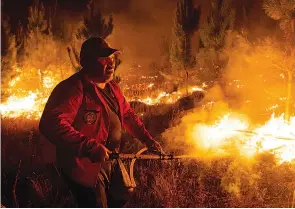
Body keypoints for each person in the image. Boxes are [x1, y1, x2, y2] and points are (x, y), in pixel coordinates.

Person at [39, 37, 164, 207]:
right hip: (85, 166)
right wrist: (89, 147)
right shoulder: (73, 88)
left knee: (122, 195)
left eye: (112, 59)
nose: (111, 64)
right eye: (104, 59)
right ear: (87, 62)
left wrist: (148, 140)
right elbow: (51, 124)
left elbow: (127, 115)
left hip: (110, 161)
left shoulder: (112, 87)